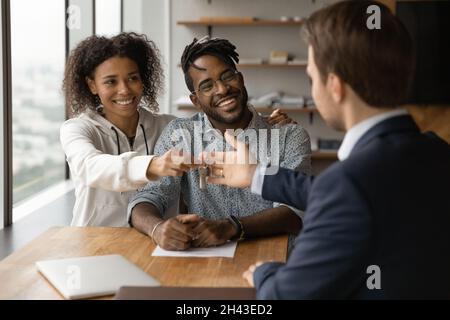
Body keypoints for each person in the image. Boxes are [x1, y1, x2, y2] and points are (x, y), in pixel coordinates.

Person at [204, 1, 450, 299]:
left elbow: (282, 297)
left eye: (311, 76)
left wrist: (264, 272)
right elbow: (348, 196)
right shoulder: (436, 150)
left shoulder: (349, 185)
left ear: (335, 85)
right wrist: (257, 174)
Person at [61, 32, 291, 227]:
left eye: (132, 78)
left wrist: (264, 122)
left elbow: (214, 119)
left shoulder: (168, 128)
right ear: (92, 85)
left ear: (143, 80)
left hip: (157, 244)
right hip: (96, 238)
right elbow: (89, 167)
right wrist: (155, 165)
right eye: (111, 82)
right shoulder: (78, 129)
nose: (124, 90)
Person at [128, 37, 311, 251]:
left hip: (274, 259)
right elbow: (148, 197)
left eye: (227, 76)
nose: (222, 89)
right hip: (205, 260)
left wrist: (230, 227)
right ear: (195, 100)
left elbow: (294, 212)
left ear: (241, 79)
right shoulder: (181, 135)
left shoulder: (288, 135)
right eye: (207, 86)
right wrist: (156, 228)